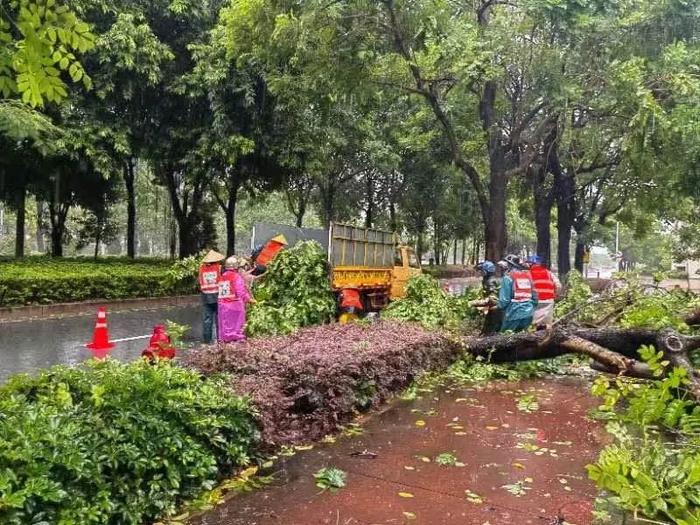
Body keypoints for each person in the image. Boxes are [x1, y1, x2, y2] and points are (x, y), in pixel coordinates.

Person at [217, 256, 254, 343]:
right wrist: (249, 299)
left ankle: (225, 341)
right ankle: (236, 340)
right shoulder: (236, 277)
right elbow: (241, 292)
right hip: (235, 305)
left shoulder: (222, 276)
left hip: (223, 305)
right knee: (237, 325)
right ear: (236, 267)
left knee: (225, 325)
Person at [496, 255, 538, 333]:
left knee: (506, 337)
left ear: (509, 265)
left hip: (514, 312)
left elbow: (504, 300)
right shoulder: (528, 276)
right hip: (529, 312)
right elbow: (535, 295)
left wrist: (498, 307)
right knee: (524, 337)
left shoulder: (508, 278)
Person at [525, 255, 562, 329]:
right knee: (547, 324)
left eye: (529, 263)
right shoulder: (549, 273)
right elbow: (558, 286)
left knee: (534, 324)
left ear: (532, 264)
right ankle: (547, 337)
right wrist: (555, 295)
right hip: (548, 301)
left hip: (535, 302)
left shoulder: (528, 274)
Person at [199, 250, 225, 344]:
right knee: (219, 318)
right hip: (218, 296)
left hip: (205, 296)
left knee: (207, 319)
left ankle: (207, 339)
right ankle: (220, 338)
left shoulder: (201, 269)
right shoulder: (220, 268)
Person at [472, 260, 503, 335]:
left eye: (481, 270)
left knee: (491, 331)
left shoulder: (490, 282)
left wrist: (475, 303)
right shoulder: (491, 279)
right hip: (495, 308)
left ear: (486, 271)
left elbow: (493, 300)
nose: (479, 272)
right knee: (486, 330)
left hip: (496, 310)